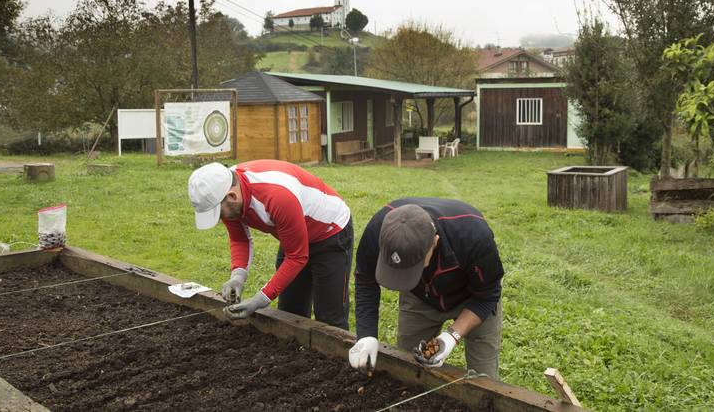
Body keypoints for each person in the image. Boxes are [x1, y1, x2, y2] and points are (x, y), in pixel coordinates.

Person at [348, 198, 504, 378]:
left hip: (472, 299)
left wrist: (452, 336)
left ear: (435, 242)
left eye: (411, 268)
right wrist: (366, 335)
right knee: (407, 367)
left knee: (484, 377)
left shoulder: (472, 235)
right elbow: (365, 281)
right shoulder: (379, 231)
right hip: (419, 295)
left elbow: (487, 296)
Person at [187, 160, 353, 329]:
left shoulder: (277, 196)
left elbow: (296, 257)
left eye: (219, 213)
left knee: (329, 319)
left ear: (232, 197)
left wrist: (261, 299)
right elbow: (239, 239)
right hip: (293, 232)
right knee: (289, 312)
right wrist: (238, 276)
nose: (220, 220)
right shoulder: (225, 190)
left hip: (330, 232)